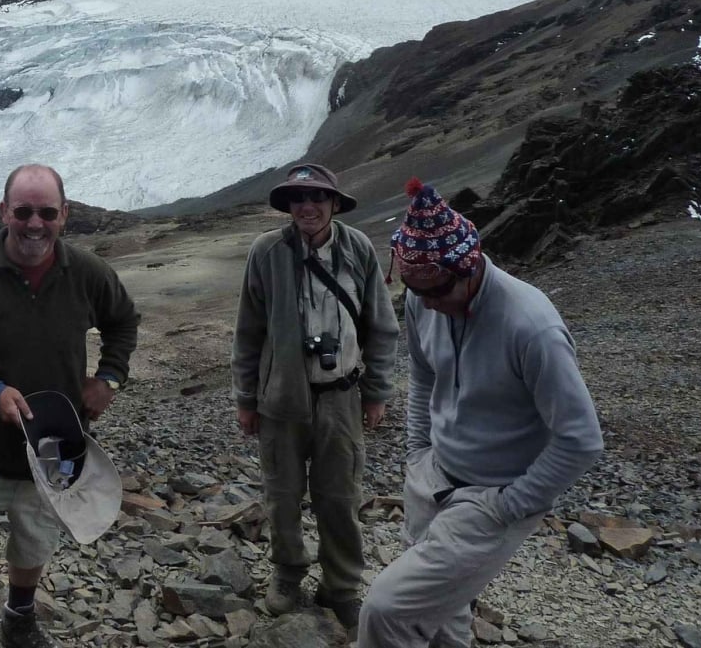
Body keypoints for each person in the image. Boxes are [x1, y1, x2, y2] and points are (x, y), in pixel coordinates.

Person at [358, 179, 603, 648]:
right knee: (444, 612)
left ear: (467, 266)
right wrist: (417, 453)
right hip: (433, 477)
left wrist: (509, 505)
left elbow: (581, 438)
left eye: (437, 290)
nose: (427, 302)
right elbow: (424, 371)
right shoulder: (423, 297)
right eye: (413, 288)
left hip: (491, 499)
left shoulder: (531, 328)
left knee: (386, 611)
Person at [0, 164, 140, 648]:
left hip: (53, 452)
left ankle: (18, 619)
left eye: (46, 212)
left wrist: (110, 378)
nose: (34, 224)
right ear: (4, 212)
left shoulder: (86, 274)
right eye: (22, 212)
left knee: (35, 540)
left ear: (65, 214)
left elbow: (123, 321)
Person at [231, 162, 400, 632]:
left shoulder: (358, 248)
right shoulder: (266, 251)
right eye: (298, 199)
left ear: (333, 204)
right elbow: (249, 331)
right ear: (288, 206)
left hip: (342, 396)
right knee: (282, 494)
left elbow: (381, 329)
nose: (308, 207)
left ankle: (341, 586)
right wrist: (246, 397)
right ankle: (287, 573)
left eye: (318, 199)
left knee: (341, 495)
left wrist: (377, 392)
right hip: (280, 399)